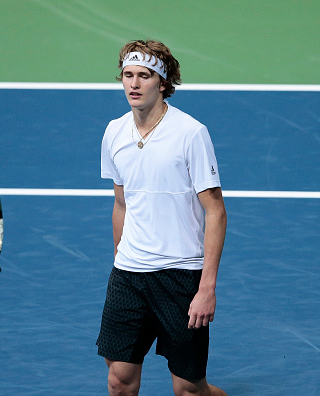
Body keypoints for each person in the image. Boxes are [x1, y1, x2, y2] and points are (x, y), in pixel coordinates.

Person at [96, 39, 228, 396]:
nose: (134, 84)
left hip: (181, 276)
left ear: (163, 82)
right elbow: (121, 203)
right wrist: (118, 262)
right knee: (119, 379)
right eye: (128, 75)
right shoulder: (114, 132)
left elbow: (215, 211)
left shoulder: (190, 134)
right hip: (130, 273)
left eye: (144, 76)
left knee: (189, 389)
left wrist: (206, 288)